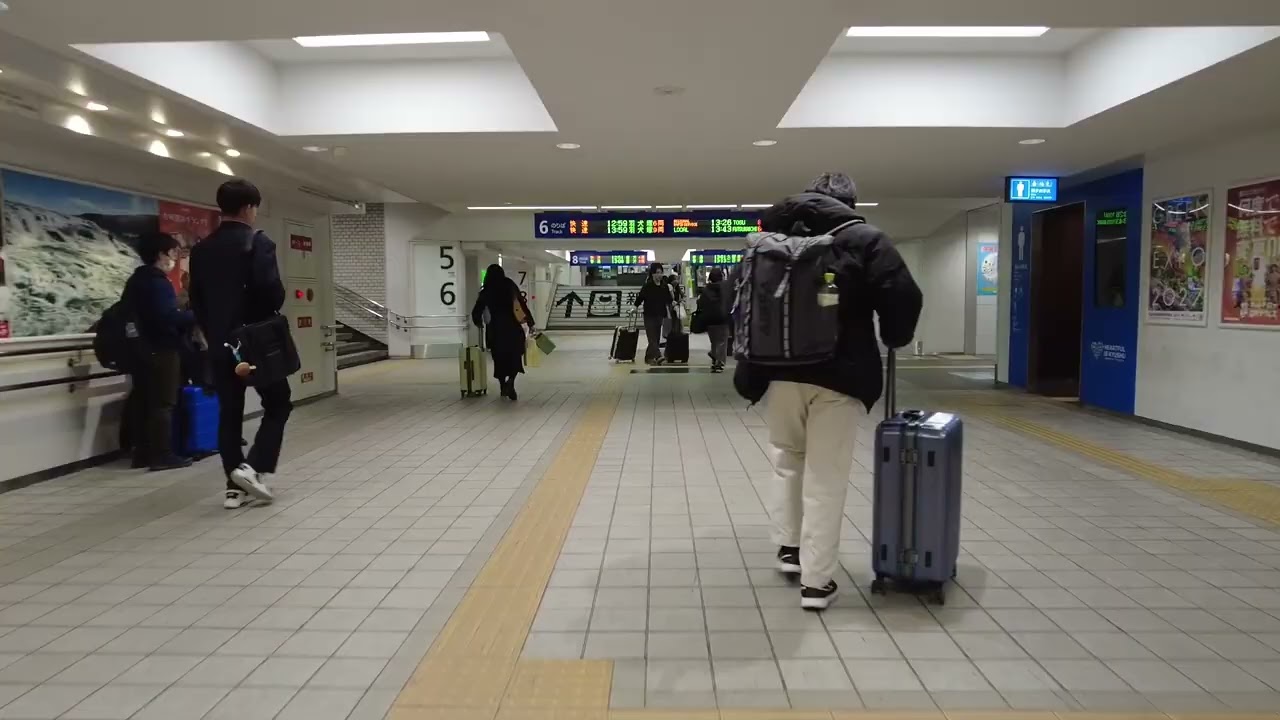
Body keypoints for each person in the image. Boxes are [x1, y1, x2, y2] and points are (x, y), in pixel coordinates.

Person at [734, 172, 922, 610]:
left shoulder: (772, 239)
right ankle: (817, 583)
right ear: (850, 203)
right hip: (840, 374)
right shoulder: (865, 239)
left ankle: (789, 550)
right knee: (825, 476)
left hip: (780, 372)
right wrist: (894, 335)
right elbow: (903, 295)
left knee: (787, 459)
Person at [189, 178, 291, 510]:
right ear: (249, 208)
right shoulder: (258, 243)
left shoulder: (201, 249)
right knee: (278, 403)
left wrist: (215, 331)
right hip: (256, 342)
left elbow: (197, 301)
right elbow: (271, 293)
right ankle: (253, 467)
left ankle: (233, 488)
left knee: (229, 413)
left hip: (221, 342)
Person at [123, 232, 195, 471]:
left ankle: (142, 453)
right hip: (162, 350)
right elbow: (168, 318)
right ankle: (162, 455)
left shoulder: (136, 280)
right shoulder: (158, 282)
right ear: (161, 254)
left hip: (139, 350)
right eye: (173, 253)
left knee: (144, 399)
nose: (174, 258)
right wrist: (195, 315)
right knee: (163, 402)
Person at [471, 264, 536, 400]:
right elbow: (521, 303)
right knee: (514, 357)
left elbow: (477, 309)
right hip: (512, 328)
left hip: (495, 330)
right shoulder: (509, 285)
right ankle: (511, 381)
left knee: (499, 359)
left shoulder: (487, 290)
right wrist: (530, 321)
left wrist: (478, 322)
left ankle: (502, 386)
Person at [634, 263, 673, 364]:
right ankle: (658, 356)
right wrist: (635, 306)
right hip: (649, 315)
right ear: (652, 274)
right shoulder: (648, 286)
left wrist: (673, 302)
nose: (659, 275)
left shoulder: (664, 286)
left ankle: (648, 357)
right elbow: (640, 297)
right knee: (651, 337)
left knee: (655, 338)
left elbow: (668, 299)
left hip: (660, 315)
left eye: (661, 273)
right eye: (657, 273)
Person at [697, 267, 730, 372]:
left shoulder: (706, 290)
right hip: (722, 319)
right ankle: (719, 362)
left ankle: (714, 357)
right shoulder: (725, 289)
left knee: (714, 341)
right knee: (722, 341)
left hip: (710, 320)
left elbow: (700, 303)